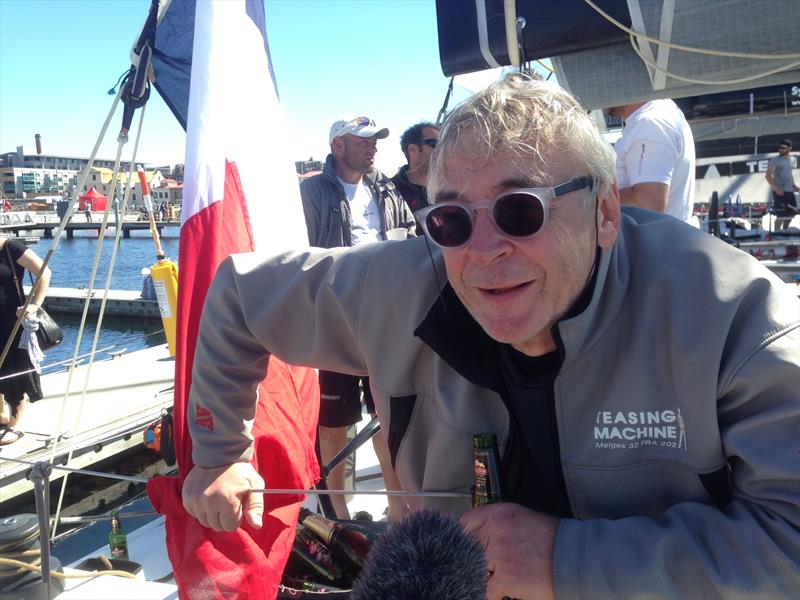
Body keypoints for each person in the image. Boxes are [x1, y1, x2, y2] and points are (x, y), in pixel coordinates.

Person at [182, 76, 800, 598]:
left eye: (520, 210)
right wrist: (219, 453)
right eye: (451, 218)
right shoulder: (400, 284)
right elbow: (238, 294)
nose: (482, 252)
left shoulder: (733, 317)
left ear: (604, 212)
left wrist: (565, 559)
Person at [299, 115, 416, 520]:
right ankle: (338, 514)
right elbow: (300, 254)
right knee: (334, 422)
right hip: (337, 323)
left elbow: (411, 235)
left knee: (389, 417)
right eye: (363, 140)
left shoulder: (386, 188)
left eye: (375, 140)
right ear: (338, 146)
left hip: (386, 320)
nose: (373, 146)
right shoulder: (311, 192)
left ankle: (399, 510)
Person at [605, 98, 696, 223]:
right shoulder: (655, 117)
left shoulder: (651, 122)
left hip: (654, 240)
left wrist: (599, 197)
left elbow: (648, 203)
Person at [0, 238, 51, 445]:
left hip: (11, 321)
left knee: (14, 372)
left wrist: (34, 305)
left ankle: (16, 423)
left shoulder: (11, 248)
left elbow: (44, 272)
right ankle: (1, 415)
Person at [391, 122, 440, 214]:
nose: (442, 150)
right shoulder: (389, 195)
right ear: (413, 150)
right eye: (435, 144)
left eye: (443, 144)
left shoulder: (449, 191)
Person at [765, 138, 799, 230]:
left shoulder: (792, 159)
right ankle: (776, 234)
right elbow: (768, 175)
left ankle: (785, 231)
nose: (780, 149)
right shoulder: (775, 160)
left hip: (790, 191)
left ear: (789, 148)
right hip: (780, 192)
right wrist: (776, 188)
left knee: (792, 214)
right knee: (781, 215)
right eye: (779, 147)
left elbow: (789, 173)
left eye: (783, 148)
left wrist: (793, 185)